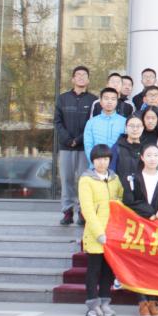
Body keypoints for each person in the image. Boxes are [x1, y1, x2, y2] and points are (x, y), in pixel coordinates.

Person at [120, 144, 158, 316]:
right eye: (149, 155)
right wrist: (149, 212)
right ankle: (142, 302)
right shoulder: (133, 178)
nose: (152, 158)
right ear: (142, 157)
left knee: (155, 265)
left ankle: (153, 302)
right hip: (139, 226)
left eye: (156, 155)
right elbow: (129, 201)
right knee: (140, 264)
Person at [79, 144, 122, 316]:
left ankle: (105, 302)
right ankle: (92, 304)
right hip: (95, 233)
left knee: (108, 270)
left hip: (112, 232)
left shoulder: (114, 179)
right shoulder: (86, 180)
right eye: (98, 159)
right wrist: (98, 232)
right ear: (93, 160)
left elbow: (120, 200)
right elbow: (87, 209)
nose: (102, 162)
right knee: (94, 270)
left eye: (105, 159)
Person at [55, 65, 95, 226]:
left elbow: (91, 125)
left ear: (88, 80)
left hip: (84, 147)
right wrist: (67, 139)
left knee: (84, 181)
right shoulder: (63, 98)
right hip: (66, 147)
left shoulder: (93, 100)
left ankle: (83, 212)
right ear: (73, 79)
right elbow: (57, 122)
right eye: (78, 74)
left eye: (84, 75)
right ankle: (67, 212)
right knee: (67, 180)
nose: (81, 77)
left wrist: (78, 140)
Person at [83, 87, 126, 164]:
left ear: (117, 102)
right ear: (100, 102)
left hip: (118, 165)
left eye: (113, 99)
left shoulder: (124, 122)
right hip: (97, 165)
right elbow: (88, 146)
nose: (109, 101)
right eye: (106, 98)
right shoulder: (91, 122)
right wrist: (95, 163)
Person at [109, 115, 145, 180]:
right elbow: (111, 173)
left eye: (138, 126)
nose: (135, 129)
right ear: (125, 128)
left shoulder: (146, 149)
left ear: (143, 128)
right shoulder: (116, 148)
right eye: (131, 126)